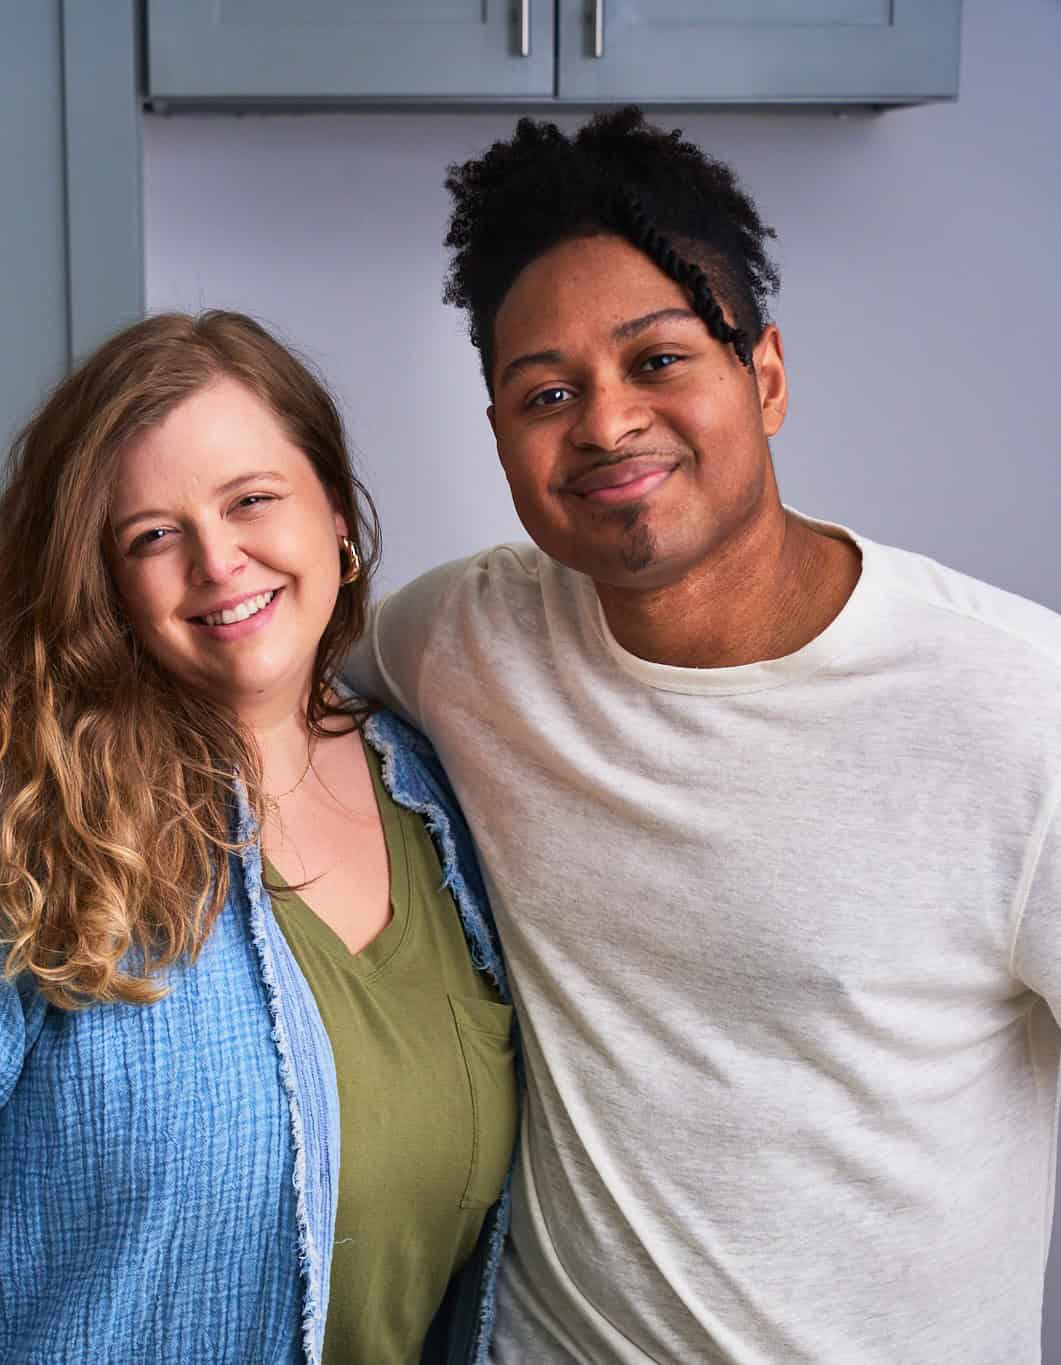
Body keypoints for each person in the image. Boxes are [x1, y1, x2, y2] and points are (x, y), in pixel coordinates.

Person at [347, 108, 1061, 1364]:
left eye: (660, 360)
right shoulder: (461, 641)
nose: (607, 424)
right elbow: (243, 697)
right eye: (547, 392)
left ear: (767, 377)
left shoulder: (1018, 706)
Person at [0, 311, 517, 1364]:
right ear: (103, 583)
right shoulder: (4, 817)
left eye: (253, 499)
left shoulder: (441, 799)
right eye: (153, 536)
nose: (219, 562)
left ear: (337, 518)